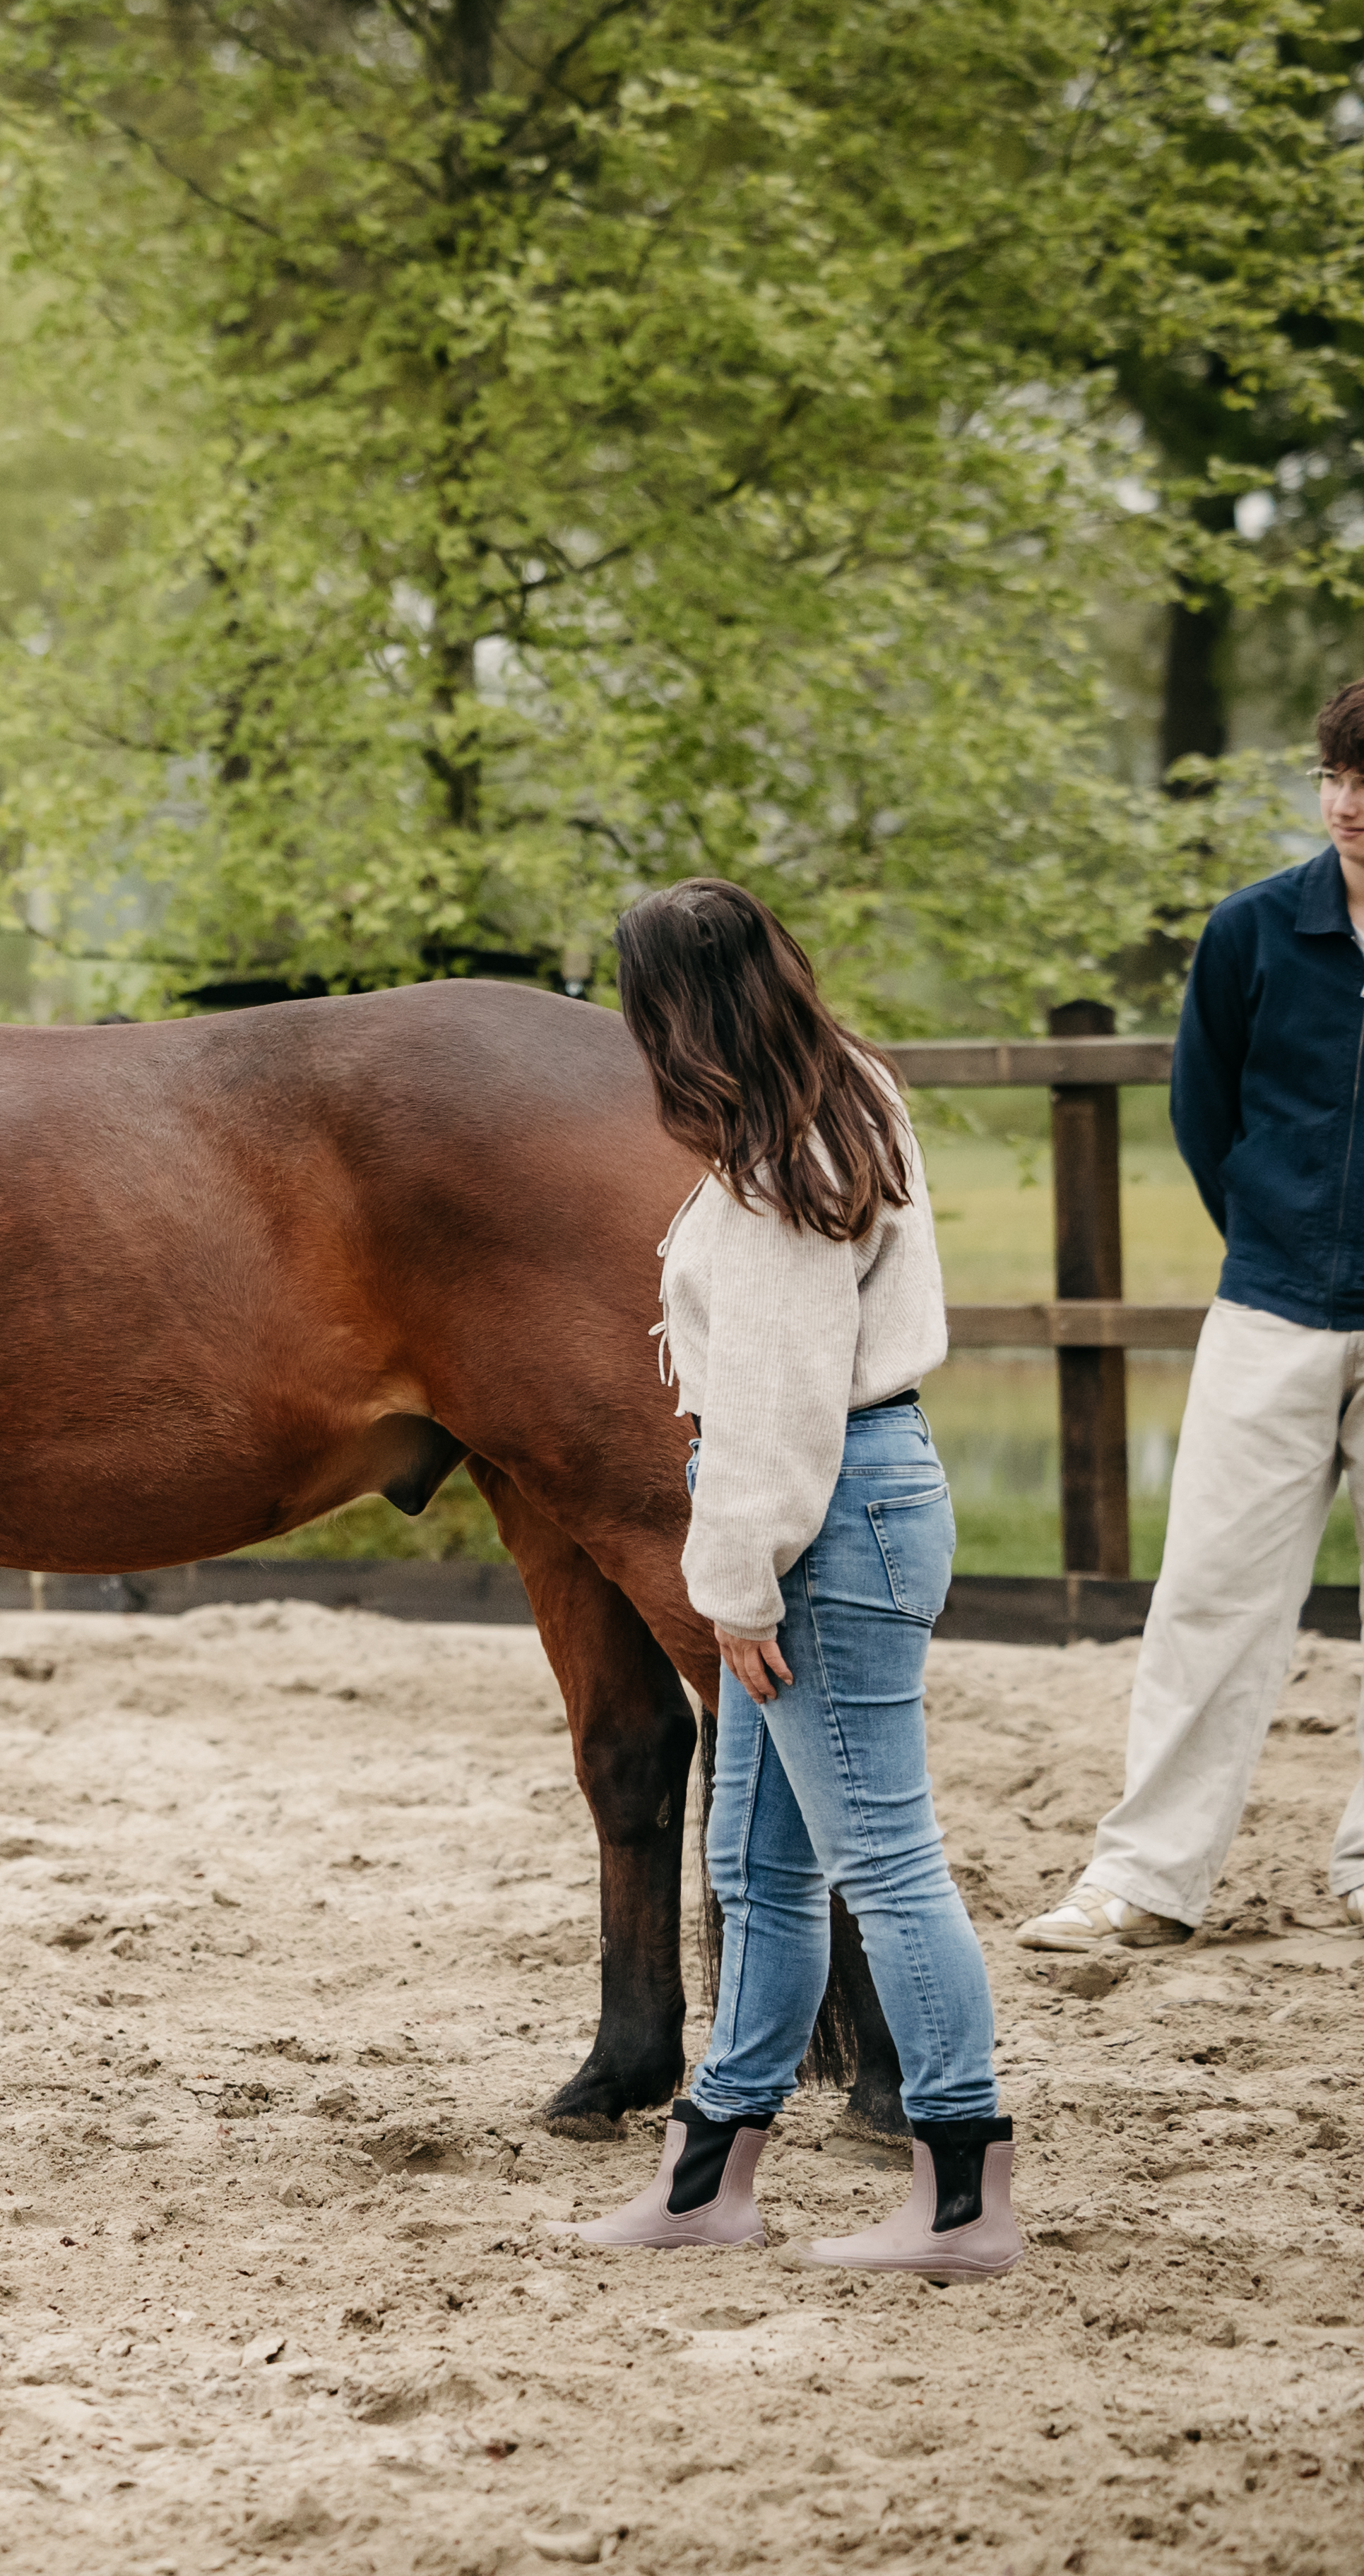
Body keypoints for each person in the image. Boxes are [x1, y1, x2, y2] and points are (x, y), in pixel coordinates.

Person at [562, 878, 1019, 2277]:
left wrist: (738, 1582)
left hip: (819, 1522)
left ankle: (964, 2194)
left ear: (675, 1009)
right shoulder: (844, 1091)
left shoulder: (777, 1164)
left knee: (883, 1862)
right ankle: (713, 2175)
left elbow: (777, 1393)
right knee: (756, 1866)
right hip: (846, 1505)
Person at [1021, 678, 1364, 1955]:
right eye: (1335, 775)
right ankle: (1146, 1882)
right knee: (1209, 1598)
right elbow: (1202, 1113)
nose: (1348, 804)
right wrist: (1273, 1240)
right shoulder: (1256, 931)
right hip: (1270, 1308)